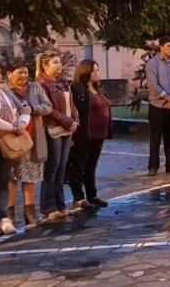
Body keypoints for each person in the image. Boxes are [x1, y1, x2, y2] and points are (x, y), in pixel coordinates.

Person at [4, 58, 51, 228]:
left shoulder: (35, 87)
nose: (24, 75)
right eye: (19, 72)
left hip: (32, 138)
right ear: (9, 74)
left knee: (30, 176)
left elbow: (48, 106)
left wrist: (33, 109)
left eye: (25, 72)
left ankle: (29, 212)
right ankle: (8, 214)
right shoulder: (3, 90)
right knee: (10, 178)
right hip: (10, 139)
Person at [37, 51, 78, 221]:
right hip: (53, 128)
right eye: (55, 62)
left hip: (67, 128)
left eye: (60, 62)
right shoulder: (41, 84)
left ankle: (61, 204)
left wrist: (75, 119)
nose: (59, 65)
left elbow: (72, 104)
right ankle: (49, 206)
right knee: (52, 168)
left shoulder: (62, 83)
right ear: (45, 66)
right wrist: (67, 121)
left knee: (62, 167)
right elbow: (48, 110)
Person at [66, 60, 111, 210]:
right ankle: (78, 198)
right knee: (78, 165)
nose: (97, 73)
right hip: (84, 134)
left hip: (99, 134)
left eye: (97, 70)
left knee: (91, 165)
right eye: (93, 71)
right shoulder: (77, 89)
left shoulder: (98, 88)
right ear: (85, 72)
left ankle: (92, 195)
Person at [0, 64, 31, 234]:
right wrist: (12, 127)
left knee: (3, 180)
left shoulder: (5, 93)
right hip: (5, 135)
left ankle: (3, 218)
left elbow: (25, 108)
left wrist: (22, 123)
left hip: (6, 143)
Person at [145, 37, 170, 176]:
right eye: (168, 46)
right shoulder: (152, 63)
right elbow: (153, 84)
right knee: (155, 138)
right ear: (161, 47)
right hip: (157, 105)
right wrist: (167, 98)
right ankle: (153, 166)